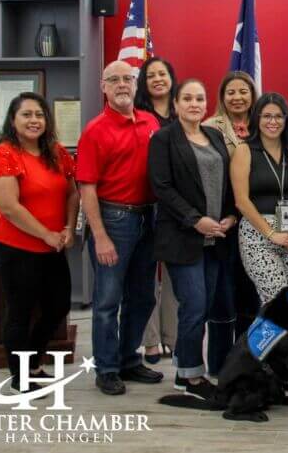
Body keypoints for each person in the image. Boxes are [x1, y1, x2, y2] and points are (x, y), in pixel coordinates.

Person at [0, 92, 78, 394]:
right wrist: (46, 233)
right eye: (27, 115)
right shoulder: (3, 153)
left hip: (54, 244)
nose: (34, 121)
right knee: (19, 311)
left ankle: (32, 362)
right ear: (13, 120)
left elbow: (71, 193)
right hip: (16, 246)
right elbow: (9, 207)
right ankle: (20, 377)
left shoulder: (56, 151)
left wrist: (69, 227)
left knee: (58, 306)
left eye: (40, 115)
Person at [148, 79, 237, 399]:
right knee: (194, 304)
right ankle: (188, 375)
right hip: (182, 237)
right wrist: (195, 220)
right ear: (176, 104)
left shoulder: (213, 135)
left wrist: (230, 215)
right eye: (187, 98)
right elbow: (163, 188)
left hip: (217, 238)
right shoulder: (163, 139)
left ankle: (188, 369)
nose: (194, 104)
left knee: (204, 305)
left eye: (200, 98)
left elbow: (226, 183)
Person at [77, 60, 162, 396]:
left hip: (149, 218)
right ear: (103, 87)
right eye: (115, 80)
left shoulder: (151, 121)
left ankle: (128, 358)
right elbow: (87, 189)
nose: (123, 85)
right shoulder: (95, 131)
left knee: (142, 297)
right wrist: (99, 237)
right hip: (113, 220)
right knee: (108, 300)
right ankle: (107, 368)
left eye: (128, 79)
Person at [203, 71, 259, 376]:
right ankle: (220, 366)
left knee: (250, 296)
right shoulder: (209, 129)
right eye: (231, 92)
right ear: (222, 97)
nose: (237, 97)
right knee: (223, 298)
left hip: (257, 224)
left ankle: (249, 363)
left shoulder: (265, 125)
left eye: (244, 91)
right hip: (222, 222)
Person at [231, 93, 288, 304]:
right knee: (278, 300)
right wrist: (271, 233)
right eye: (266, 116)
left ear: (286, 120)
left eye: (278, 116)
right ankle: (277, 338)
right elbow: (241, 201)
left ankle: (279, 338)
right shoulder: (244, 150)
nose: (273, 122)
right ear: (257, 119)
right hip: (258, 236)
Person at [135, 57, 178, 365]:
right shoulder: (137, 116)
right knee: (146, 275)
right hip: (145, 202)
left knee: (177, 274)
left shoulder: (183, 114)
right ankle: (150, 341)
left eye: (162, 74)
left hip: (178, 206)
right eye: (151, 75)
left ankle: (172, 338)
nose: (158, 79)